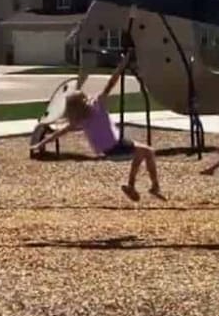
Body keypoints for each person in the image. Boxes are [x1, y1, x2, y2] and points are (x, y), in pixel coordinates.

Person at [30, 46, 161, 201]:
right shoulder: (97, 104)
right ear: (83, 102)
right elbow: (112, 82)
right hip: (117, 147)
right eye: (85, 97)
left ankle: (131, 185)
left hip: (107, 151)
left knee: (141, 153)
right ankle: (154, 187)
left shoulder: (79, 120)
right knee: (149, 151)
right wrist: (124, 63)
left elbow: (59, 133)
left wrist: (40, 144)